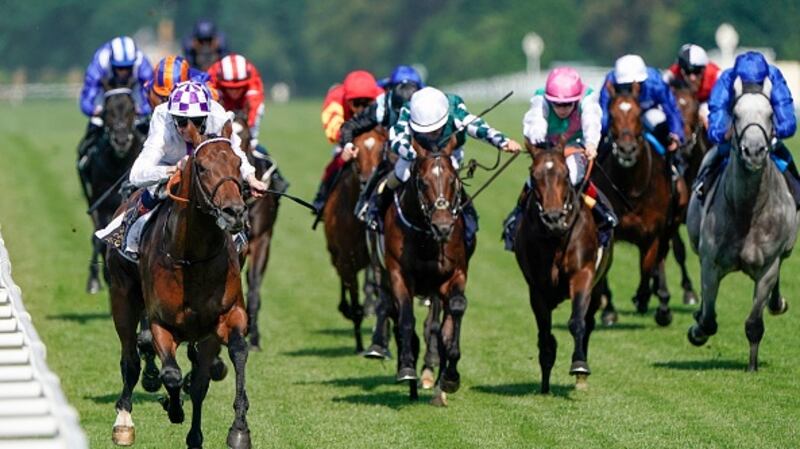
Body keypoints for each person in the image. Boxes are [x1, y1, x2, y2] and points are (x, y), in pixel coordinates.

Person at [100, 81, 267, 259]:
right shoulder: (162, 119)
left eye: (196, 121)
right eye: (180, 121)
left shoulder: (217, 115)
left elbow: (235, 151)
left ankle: (236, 236)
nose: (187, 128)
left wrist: (251, 177)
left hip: (208, 170)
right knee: (155, 192)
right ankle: (129, 230)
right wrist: (171, 171)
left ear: (206, 116)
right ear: (172, 117)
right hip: (169, 167)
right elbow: (136, 175)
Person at [368, 86, 522, 251]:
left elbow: (479, 127)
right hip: (417, 152)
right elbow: (398, 139)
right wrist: (413, 154)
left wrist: (503, 142)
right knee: (401, 173)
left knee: (451, 182)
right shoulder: (409, 109)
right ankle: (376, 209)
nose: (431, 135)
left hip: (449, 151)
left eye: (435, 130)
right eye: (425, 131)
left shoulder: (454, 111)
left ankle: (469, 224)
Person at [502, 67, 618, 250]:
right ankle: (516, 217)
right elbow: (535, 122)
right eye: (557, 104)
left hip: (576, 146)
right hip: (547, 147)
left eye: (567, 104)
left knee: (572, 176)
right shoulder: (541, 98)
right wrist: (538, 140)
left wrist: (592, 144)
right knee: (537, 178)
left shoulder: (587, 98)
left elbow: (591, 122)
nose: (562, 109)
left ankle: (601, 212)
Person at [694, 51, 800, 207]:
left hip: (767, 129)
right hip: (735, 126)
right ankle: (703, 185)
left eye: (756, 85)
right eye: (747, 85)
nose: (751, 89)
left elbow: (787, 116)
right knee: (715, 154)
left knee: (782, 153)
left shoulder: (773, 77)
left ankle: (795, 188)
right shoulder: (727, 79)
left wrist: (778, 131)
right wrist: (722, 134)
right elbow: (717, 111)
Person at [207, 53, 289, 193]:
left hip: (244, 113)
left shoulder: (253, 80)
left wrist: (253, 138)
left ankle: (276, 180)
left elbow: (256, 110)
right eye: (230, 88)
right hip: (220, 108)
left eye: (238, 88)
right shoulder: (212, 77)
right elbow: (208, 107)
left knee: (259, 150)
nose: (234, 91)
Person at [312, 70, 384, 213]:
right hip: (348, 142)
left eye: (367, 103)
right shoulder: (335, 99)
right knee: (336, 163)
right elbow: (333, 129)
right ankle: (322, 197)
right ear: (347, 100)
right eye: (356, 103)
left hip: (376, 138)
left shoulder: (382, 96)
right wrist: (348, 144)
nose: (362, 109)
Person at [77, 36, 153, 163]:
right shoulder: (100, 63)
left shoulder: (142, 64)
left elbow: (151, 96)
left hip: (133, 91)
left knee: (146, 125)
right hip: (105, 91)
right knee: (94, 126)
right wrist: (94, 110)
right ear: (111, 63)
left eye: (128, 68)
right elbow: (86, 99)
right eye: (119, 68)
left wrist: (142, 109)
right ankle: (84, 159)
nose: (123, 72)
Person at [600, 54, 685, 160]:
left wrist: (676, 134)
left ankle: (672, 164)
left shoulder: (656, 82)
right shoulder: (610, 83)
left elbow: (671, 109)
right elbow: (604, 115)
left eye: (638, 83)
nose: (634, 87)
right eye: (627, 85)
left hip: (648, 113)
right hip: (622, 116)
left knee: (657, 118)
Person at [663, 44, 721, 129]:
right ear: (681, 69)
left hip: (707, 103)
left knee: (705, 113)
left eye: (696, 71)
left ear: (704, 69)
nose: (692, 78)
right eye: (687, 72)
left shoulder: (716, 75)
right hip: (685, 103)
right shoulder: (672, 73)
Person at [145, 55, 217, 110]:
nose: (168, 101)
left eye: (171, 96)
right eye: (164, 98)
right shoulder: (149, 87)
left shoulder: (201, 85)